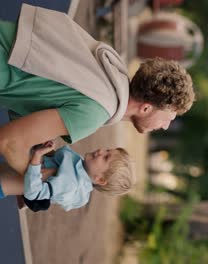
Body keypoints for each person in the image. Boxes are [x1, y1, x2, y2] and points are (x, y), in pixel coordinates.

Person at [0, 4, 195, 176]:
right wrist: (43, 181)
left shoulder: (108, 69)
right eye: (169, 118)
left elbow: (40, 84)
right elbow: (10, 142)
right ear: (145, 108)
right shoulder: (97, 110)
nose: (166, 126)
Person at [0, 141, 134, 212]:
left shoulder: (71, 184)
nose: (101, 151)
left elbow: (33, 192)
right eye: (107, 150)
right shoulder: (80, 168)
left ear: (100, 179)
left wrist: (37, 156)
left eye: (105, 157)